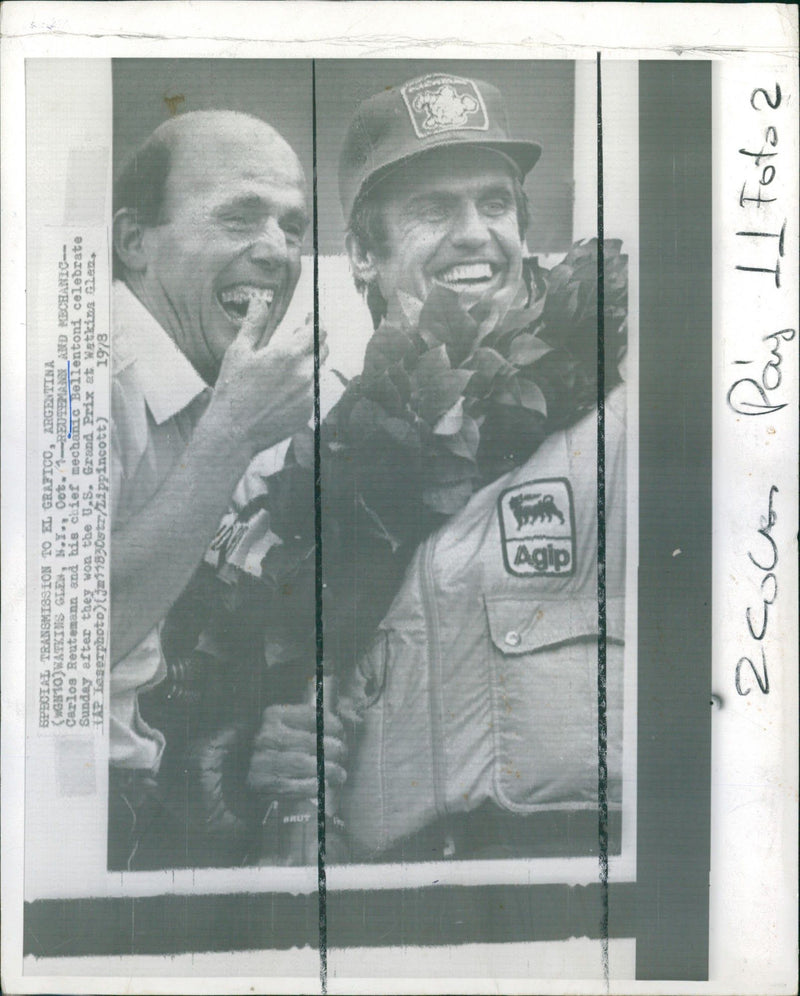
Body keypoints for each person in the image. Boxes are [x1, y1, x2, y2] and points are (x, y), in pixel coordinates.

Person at [336, 72, 627, 860]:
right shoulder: (322, 469)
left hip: (573, 880)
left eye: (495, 204)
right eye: (435, 209)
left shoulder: (623, 423)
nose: (475, 232)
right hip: (393, 911)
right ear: (363, 254)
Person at [109, 109, 340, 868]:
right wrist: (234, 434)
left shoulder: (222, 393)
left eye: (292, 226)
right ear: (134, 241)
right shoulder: (80, 378)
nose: (276, 250)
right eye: (240, 216)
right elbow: (60, 639)